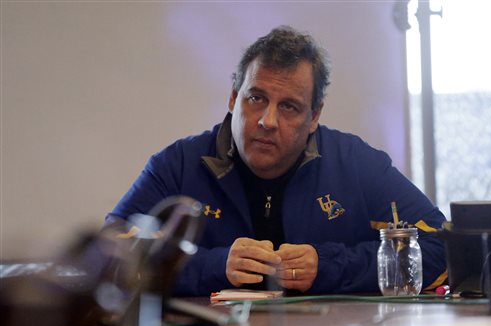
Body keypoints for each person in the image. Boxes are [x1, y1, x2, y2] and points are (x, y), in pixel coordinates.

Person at [106, 25, 447, 296]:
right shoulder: (178, 166)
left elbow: (441, 249)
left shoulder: (355, 164)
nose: (268, 121)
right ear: (233, 98)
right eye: (256, 98)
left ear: (314, 116)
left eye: (289, 107)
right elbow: (109, 257)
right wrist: (215, 265)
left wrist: (327, 266)